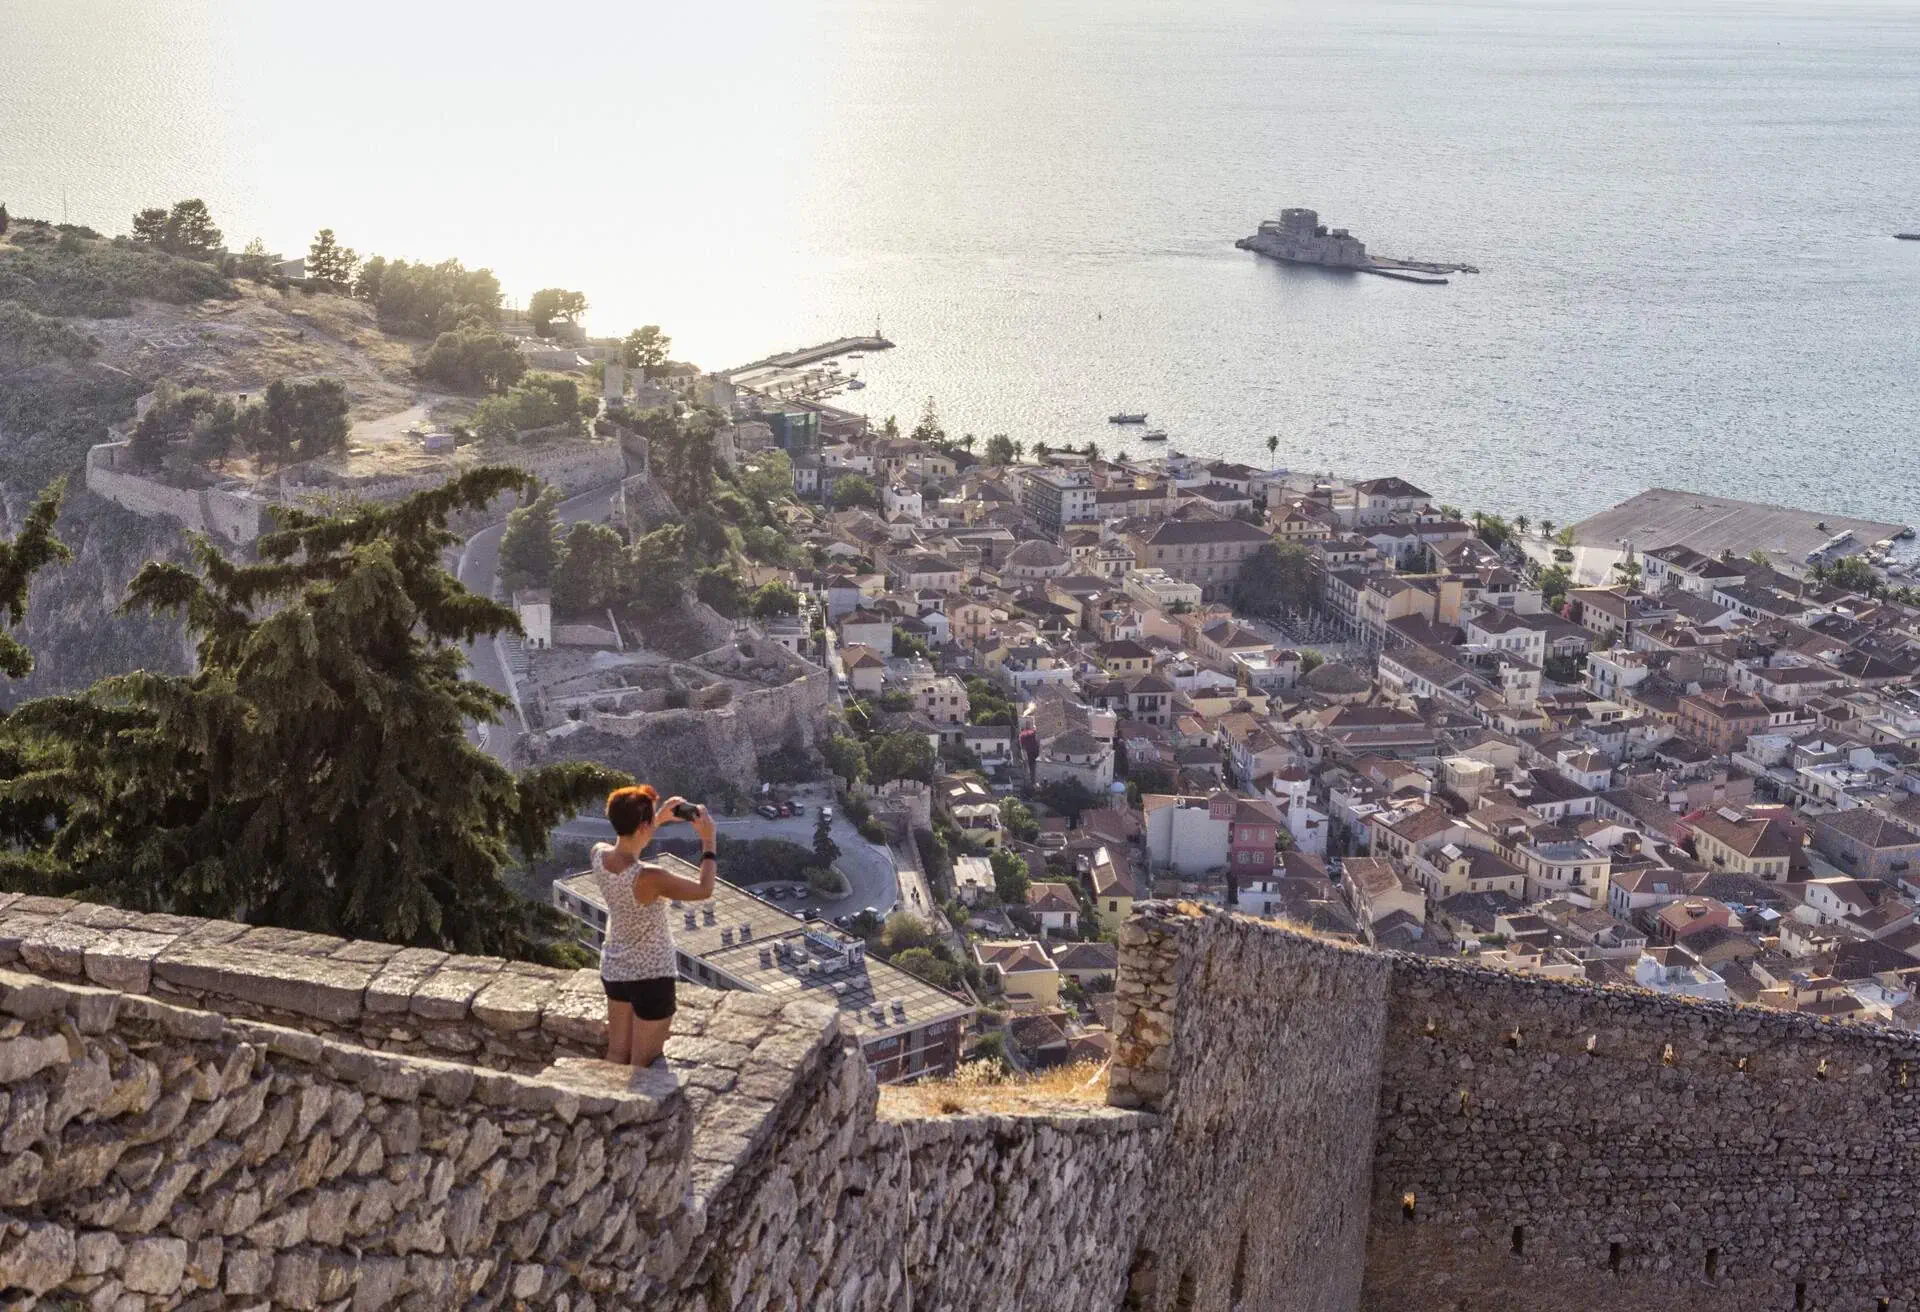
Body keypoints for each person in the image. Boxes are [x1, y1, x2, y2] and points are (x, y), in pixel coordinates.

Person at [592, 784, 719, 1068]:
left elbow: (628, 843)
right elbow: (704, 889)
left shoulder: (598, 856)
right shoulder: (649, 877)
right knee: (642, 1063)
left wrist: (656, 819)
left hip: (615, 968)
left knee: (617, 1055)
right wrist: (709, 843)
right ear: (643, 827)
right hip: (651, 975)